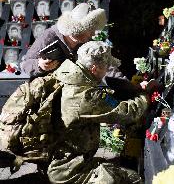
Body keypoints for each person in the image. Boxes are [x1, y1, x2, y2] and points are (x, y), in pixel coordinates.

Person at [0, 41, 148, 183]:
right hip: (68, 169)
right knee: (131, 179)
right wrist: (144, 95)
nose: (108, 70)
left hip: (55, 158)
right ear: (94, 68)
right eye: (107, 66)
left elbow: (108, 101)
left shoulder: (65, 73)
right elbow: (129, 112)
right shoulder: (84, 96)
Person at [20, 3, 114, 79]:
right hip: (48, 92)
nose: (93, 34)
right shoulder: (49, 36)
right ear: (78, 29)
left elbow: (107, 66)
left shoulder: (88, 42)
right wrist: (39, 65)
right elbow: (25, 65)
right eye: (90, 30)